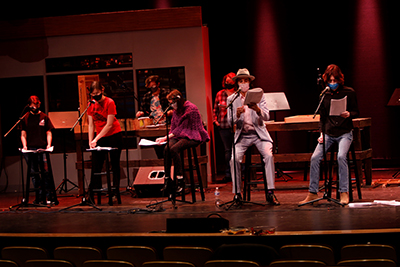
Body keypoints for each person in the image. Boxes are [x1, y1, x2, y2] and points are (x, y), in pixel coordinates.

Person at [299, 64, 359, 205]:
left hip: (345, 132)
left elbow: (357, 111)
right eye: (330, 81)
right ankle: (312, 193)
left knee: (341, 156)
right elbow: (322, 117)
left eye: (335, 81)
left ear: (340, 79)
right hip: (328, 133)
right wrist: (321, 133)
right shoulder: (324, 95)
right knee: (314, 158)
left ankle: (343, 192)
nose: (332, 84)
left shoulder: (349, 92)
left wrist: (349, 114)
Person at [227, 68, 279, 205]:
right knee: (234, 159)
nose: (243, 83)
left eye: (245, 81)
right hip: (242, 135)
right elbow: (228, 121)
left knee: (268, 155)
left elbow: (267, 116)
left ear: (249, 82)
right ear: (237, 83)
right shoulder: (231, 99)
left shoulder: (259, 96)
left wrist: (258, 110)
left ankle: (270, 192)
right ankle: (237, 193)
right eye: (240, 81)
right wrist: (237, 116)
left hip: (258, 134)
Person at [156, 90, 209, 193]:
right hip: (179, 135)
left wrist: (165, 137)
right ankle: (167, 180)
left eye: (173, 103)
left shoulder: (191, 109)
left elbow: (182, 128)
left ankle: (180, 180)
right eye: (170, 103)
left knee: (174, 149)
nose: (171, 105)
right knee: (167, 148)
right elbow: (174, 127)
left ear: (178, 101)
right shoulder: (176, 111)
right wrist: (167, 137)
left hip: (192, 135)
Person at [87, 81, 123, 204]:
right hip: (100, 137)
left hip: (114, 135)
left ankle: (115, 193)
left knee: (114, 165)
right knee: (96, 165)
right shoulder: (90, 105)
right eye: (93, 94)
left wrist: (96, 139)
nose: (95, 96)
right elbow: (91, 125)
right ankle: (91, 194)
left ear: (102, 90)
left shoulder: (110, 102)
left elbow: (109, 124)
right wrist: (90, 141)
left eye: (97, 93)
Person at [20, 95, 58, 205]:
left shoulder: (44, 117)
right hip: (30, 149)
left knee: (45, 172)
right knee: (34, 173)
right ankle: (39, 196)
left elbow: (48, 132)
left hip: (42, 148)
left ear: (39, 104)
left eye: (36, 105)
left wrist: (49, 144)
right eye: (32, 106)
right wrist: (25, 145)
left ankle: (49, 196)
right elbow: (23, 134)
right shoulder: (25, 117)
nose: (34, 107)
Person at [136, 75, 171, 158]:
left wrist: (169, 113)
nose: (152, 88)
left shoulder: (166, 93)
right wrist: (140, 113)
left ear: (158, 84)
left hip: (166, 124)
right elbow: (143, 110)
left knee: (168, 148)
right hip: (154, 125)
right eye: (150, 86)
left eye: (153, 86)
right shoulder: (147, 96)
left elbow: (173, 107)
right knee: (158, 149)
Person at [213, 72, 236, 182]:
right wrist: (215, 121)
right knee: (227, 150)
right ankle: (228, 174)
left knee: (237, 150)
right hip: (223, 125)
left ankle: (239, 173)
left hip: (236, 126)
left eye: (230, 81)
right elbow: (215, 110)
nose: (228, 82)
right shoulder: (219, 94)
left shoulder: (237, 94)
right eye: (226, 81)